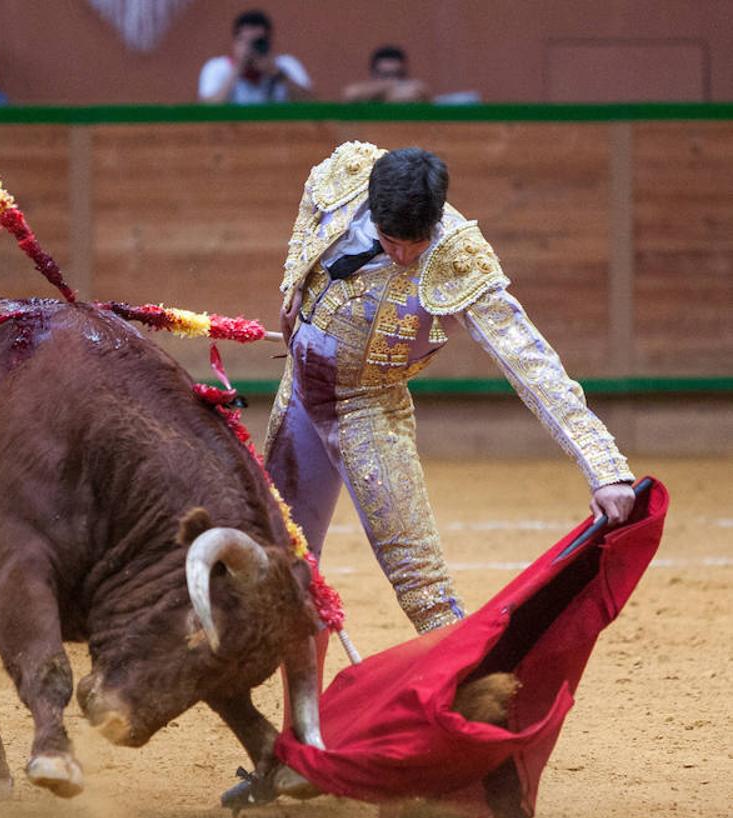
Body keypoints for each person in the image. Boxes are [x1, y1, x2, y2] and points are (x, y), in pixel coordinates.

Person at [268, 142, 636, 638]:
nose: (401, 256)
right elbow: (309, 209)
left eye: (414, 245)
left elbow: (528, 359)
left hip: (366, 408)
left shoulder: (459, 257)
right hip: (299, 392)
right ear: (373, 206)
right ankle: (302, 718)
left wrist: (604, 467)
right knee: (281, 557)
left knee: (423, 587)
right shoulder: (346, 173)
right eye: (390, 240)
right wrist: (292, 285)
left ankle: (472, 698)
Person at [198, 9, 312, 105]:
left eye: (258, 42)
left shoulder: (286, 65)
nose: (253, 49)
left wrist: (278, 74)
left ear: (270, 42)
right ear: (235, 43)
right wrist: (237, 69)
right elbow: (206, 109)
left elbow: (311, 104)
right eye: (247, 42)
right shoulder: (218, 68)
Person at [342, 45, 429, 103]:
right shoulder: (360, 90)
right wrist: (389, 88)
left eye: (396, 75)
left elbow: (418, 92)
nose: (390, 79)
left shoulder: (415, 89)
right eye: (385, 75)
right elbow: (350, 94)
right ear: (373, 74)